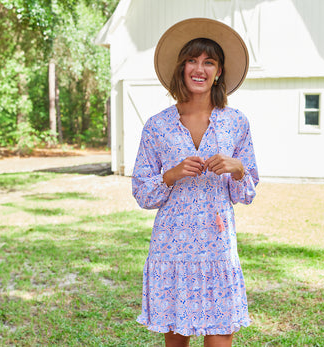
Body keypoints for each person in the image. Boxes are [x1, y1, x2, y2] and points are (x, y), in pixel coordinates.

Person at [132, 18, 259, 347]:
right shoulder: (157, 125)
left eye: (208, 62)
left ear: (219, 71)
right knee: (176, 343)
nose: (199, 69)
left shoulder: (235, 123)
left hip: (217, 246)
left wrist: (238, 168)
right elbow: (143, 192)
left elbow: (246, 192)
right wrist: (172, 174)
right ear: (181, 68)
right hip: (172, 248)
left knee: (220, 339)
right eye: (192, 60)